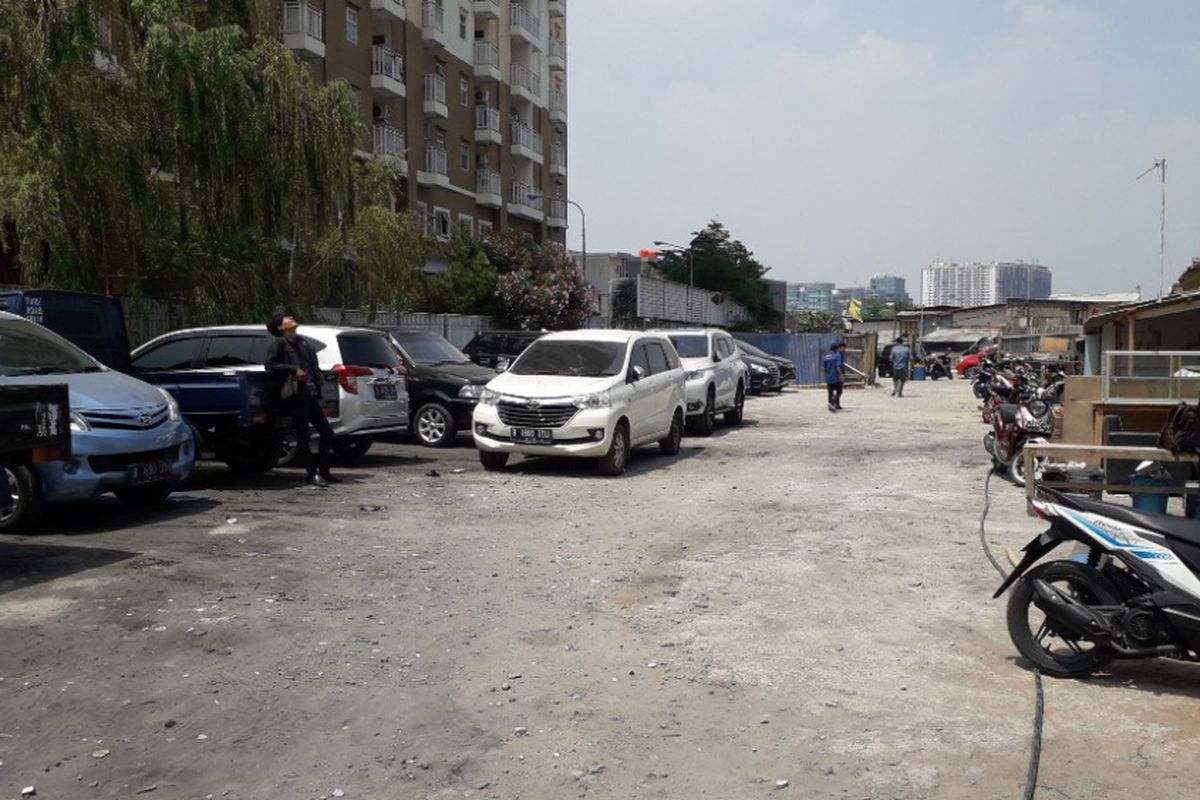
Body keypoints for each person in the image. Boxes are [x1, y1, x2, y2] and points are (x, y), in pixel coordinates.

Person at [265, 314, 339, 487]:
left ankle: (325, 471)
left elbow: (313, 366)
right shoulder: (279, 344)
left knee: (327, 433)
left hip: (311, 393)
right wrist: (293, 369)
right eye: (287, 318)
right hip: (296, 396)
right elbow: (269, 365)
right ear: (281, 328)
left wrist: (319, 379)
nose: (291, 318)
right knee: (304, 435)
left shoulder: (303, 342)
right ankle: (312, 474)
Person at [822, 341, 846, 412]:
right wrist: (841, 375)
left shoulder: (826, 357)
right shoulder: (837, 355)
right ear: (837, 349)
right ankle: (833, 402)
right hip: (836, 377)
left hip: (829, 377)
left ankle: (831, 404)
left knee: (830, 392)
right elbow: (838, 367)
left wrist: (826, 375)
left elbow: (824, 368)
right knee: (839, 391)